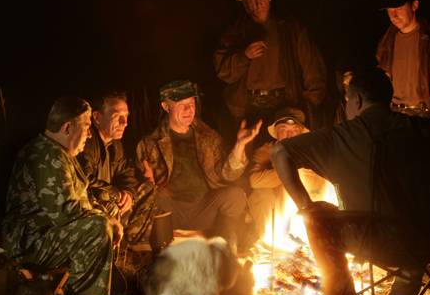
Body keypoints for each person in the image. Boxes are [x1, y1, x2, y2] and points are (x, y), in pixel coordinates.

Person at [271, 69, 423, 295]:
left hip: (373, 240)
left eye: (347, 100)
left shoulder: (344, 135)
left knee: (317, 220)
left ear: (358, 101)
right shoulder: (420, 129)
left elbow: (280, 151)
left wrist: (305, 206)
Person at [2, 96, 119, 295]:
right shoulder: (47, 155)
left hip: (48, 233)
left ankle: (91, 288)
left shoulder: (61, 153)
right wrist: (106, 220)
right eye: (86, 126)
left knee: (108, 211)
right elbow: (66, 213)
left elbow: (83, 199)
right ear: (67, 128)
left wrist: (108, 213)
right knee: (98, 226)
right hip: (29, 242)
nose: (90, 135)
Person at [136, 80, 261, 247]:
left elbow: (228, 174)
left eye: (192, 103)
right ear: (166, 107)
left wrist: (240, 145)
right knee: (155, 196)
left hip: (204, 208)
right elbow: (141, 186)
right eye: (182, 104)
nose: (189, 110)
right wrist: (148, 183)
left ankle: (226, 247)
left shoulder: (208, 137)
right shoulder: (150, 143)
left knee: (235, 195)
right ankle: (160, 247)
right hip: (171, 210)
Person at [214, 0, 328, 134]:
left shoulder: (291, 29)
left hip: (286, 106)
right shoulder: (234, 34)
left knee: (284, 152)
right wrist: (244, 56)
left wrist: (309, 105)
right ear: (244, 4)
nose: (257, 2)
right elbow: (224, 72)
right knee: (253, 155)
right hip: (249, 109)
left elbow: (313, 69)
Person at [77, 91, 156, 251]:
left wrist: (128, 192)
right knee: (109, 198)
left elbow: (126, 172)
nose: (124, 122)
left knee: (148, 187)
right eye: (117, 116)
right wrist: (117, 194)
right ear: (97, 117)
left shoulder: (115, 144)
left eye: (126, 116)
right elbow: (85, 180)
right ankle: (110, 248)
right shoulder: (87, 142)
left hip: (111, 200)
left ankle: (133, 241)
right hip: (92, 204)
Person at [245, 107, 327, 251]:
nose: (289, 134)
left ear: (301, 132)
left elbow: (323, 183)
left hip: (305, 208)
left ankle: (308, 240)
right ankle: (271, 243)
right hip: (275, 211)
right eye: (283, 128)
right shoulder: (266, 151)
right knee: (260, 195)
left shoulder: (312, 152)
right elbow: (254, 180)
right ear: (276, 133)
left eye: (294, 129)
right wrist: (287, 170)